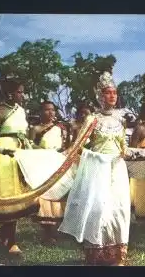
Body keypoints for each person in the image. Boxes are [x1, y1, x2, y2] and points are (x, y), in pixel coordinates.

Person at [58, 72, 131, 266]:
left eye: (114, 93)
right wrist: (93, 157)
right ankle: (96, 254)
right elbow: (79, 145)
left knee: (119, 209)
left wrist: (129, 153)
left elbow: (123, 147)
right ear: (100, 96)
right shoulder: (92, 119)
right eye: (108, 93)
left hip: (117, 169)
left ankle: (116, 256)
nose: (112, 96)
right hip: (98, 169)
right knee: (98, 209)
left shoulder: (120, 119)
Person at [0, 77, 35, 255]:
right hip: (3, 156)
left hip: (20, 153)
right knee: (8, 196)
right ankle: (10, 241)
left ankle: (5, 236)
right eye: (19, 91)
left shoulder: (22, 111)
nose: (22, 95)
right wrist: (4, 150)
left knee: (19, 198)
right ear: (10, 93)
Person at [29, 101, 68, 245]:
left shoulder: (60, 128)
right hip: (41, 165)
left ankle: (55, 228)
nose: (50, 113)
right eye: (47, 110)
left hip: (57, 164)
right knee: (45, 198)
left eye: (53, 110)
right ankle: (47, 232)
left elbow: (65, 146)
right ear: (41, 112)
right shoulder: (36, 129)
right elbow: (29, 147)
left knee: (58, 195)